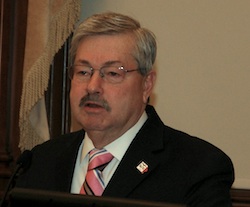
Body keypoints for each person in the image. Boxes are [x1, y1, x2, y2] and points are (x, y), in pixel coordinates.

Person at [15, 12, 234, 207]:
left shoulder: (197, 168)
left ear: (146, 85)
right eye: (83, 72)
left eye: (112, 73)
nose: (93, 86)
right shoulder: (40, 161)